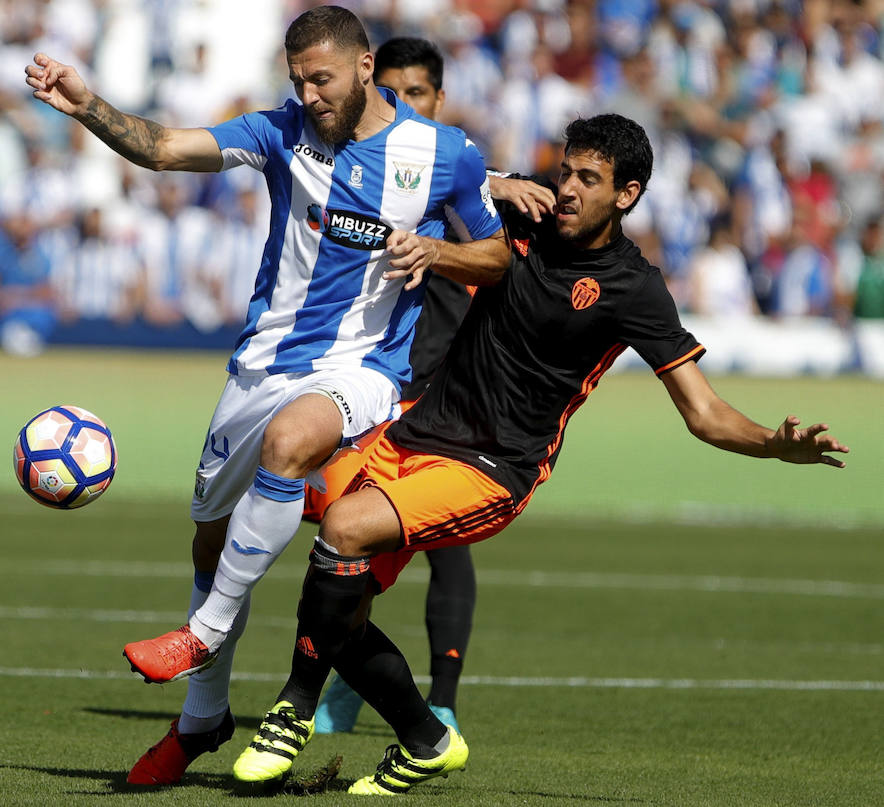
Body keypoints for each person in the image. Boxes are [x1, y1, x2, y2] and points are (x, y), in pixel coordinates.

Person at [230, 113, 849, 795]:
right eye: (565, 172)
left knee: (344, 530)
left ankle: (289, 708)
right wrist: (496, 182)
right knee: (335, 602)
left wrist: (773, 443)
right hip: (414, 436)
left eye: (590, 178)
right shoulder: (520, 218)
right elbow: (423, 191)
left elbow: (702, 413)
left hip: (493, 468)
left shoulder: (633, 286)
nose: (570, 189)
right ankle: (427, 739)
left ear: (628, 194)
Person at [25, 5, 510, 786]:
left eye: (322, 78)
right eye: (299, 81)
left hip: (364, 368)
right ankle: (203, 719)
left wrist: (442, 250)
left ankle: (205, 631)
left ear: (363, 67)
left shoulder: (439, 153)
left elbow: (497, 256)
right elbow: (165, 149)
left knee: (293, 443)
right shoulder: (279, 130)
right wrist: (87, 106)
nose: (311, 95)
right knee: (208, 541)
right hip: (262, 363)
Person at [307, 35, 557, 738]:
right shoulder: (362, 167)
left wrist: (500, 181)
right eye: (391, 92)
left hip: (447, 392)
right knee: (347, 534)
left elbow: (493, 232)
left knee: (446, 545)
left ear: (438, 100)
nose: (402, 105)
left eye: (415, 93)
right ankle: (354, 682)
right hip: (377, 380)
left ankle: (442, 698)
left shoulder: (457, 170)